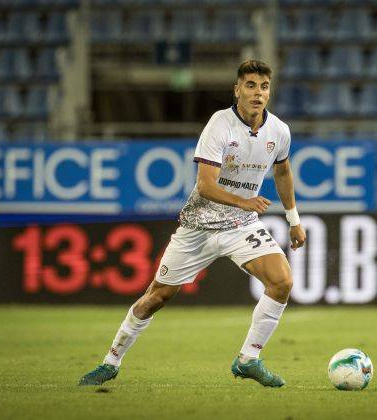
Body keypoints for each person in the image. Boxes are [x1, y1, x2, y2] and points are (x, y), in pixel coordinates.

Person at [79, 59, 306, 388]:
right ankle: (110, 361)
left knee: (282, 281)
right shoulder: (220, 124)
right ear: (237, 90)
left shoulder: (279, 131)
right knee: (157, 296)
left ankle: (248, 359)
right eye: (251, 86)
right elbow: (205, 185)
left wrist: (293, 219)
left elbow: (282, 172)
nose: (258, 93)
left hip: (241, 225)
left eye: (264, 87)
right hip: (199, 225)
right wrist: (245, 201)